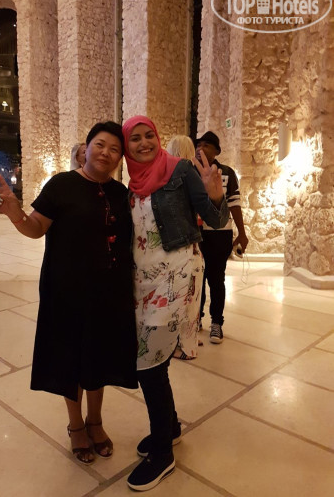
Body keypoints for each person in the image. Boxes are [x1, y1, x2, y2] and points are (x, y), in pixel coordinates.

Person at [0, 122, 138, 465]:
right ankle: (76, 426)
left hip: (109, 293)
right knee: (71, 357)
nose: (106, 153)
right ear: (86, 148)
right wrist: (15, 213)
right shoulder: (61, 185)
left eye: (114, 149)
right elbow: (36, 228)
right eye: (100, 144)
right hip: (67, 290)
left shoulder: (121, 193)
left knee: (99, 358)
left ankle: (95, 421)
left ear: (120, 158)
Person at [122, 116, 229, 491]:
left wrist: (215, 195)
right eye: (135, 139)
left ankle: (163, 453)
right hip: (144, 282)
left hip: (177, 276)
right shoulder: (132, 186)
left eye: (149, 135)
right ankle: (170, 427)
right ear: (126, 147)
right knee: (155, 360)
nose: (144, 143)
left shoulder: (180, 170)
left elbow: (214, 217)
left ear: (158, 137)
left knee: (148, 365)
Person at [195, 131, 249, 344]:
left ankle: (216, 322)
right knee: (196, 278)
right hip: (195, 234)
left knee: (216, 278)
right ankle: (195, 318)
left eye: (206, 145)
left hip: (220, 234)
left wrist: (242, 233)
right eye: (198, 145)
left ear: (217, 151)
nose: (201, 148)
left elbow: (234, 203)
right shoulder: (190, 172)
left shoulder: (226, 173)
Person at [166, 134, 202, 361]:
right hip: (193, 243)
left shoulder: (175, 176)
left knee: (180, 298)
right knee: (192, 296)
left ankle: (184, 345)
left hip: (178, 244)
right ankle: (190, 341)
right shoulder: (194, 175)